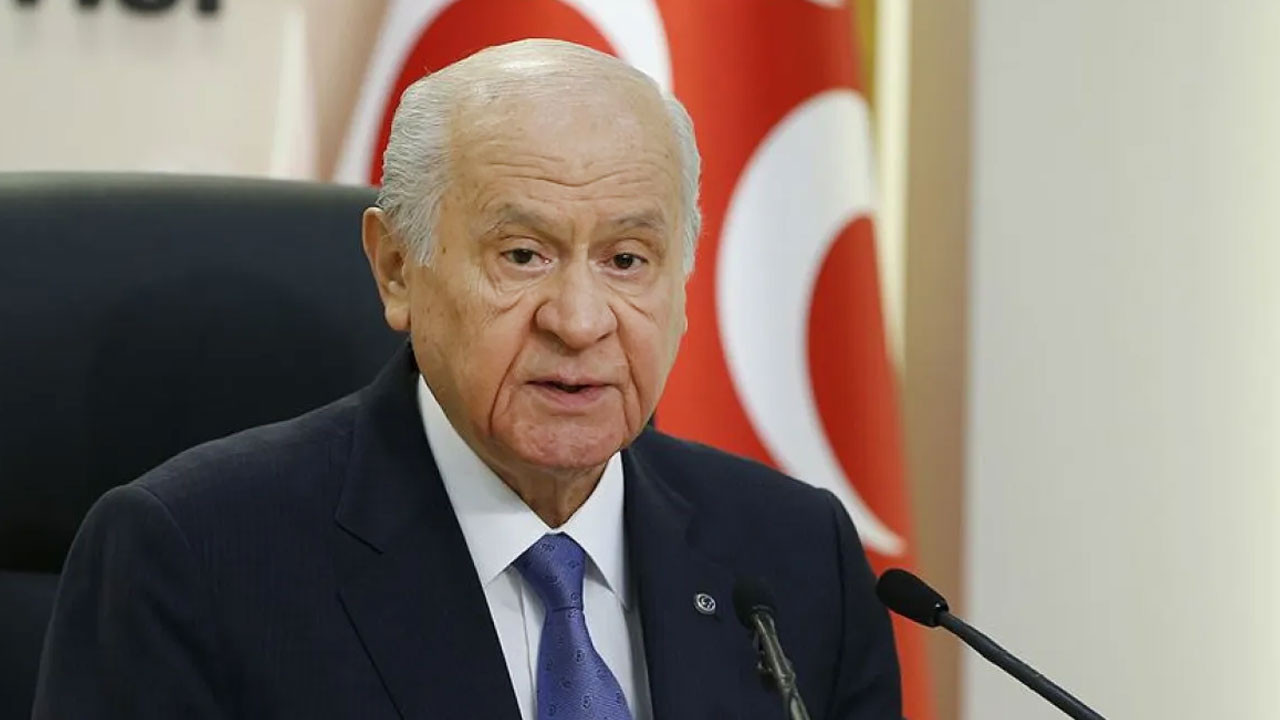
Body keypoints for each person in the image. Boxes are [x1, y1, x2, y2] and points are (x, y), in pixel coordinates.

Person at [33, 39, 902, 719]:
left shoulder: (794, 559)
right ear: (396, 269)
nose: (579, 320)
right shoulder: (194, 559)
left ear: (682, 284)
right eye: (523, 255)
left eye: (627, 259)